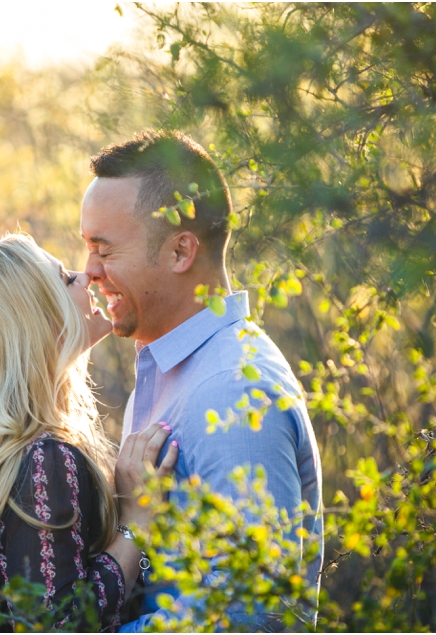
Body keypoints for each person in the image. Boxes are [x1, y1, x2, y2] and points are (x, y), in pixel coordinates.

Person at [80, 129, 324, 630]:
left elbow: (251, 616)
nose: (89, 271)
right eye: (87, 247)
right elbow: (166, 587)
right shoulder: (172, 374)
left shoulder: (233, 391)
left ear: (179, 253)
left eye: (104, 250)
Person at [0, 234, 178, 632]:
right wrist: (136, 525)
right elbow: (59, 626)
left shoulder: (0, 460)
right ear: (34, 322)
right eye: (64, 280)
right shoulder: (44, 458)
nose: (86, 277)